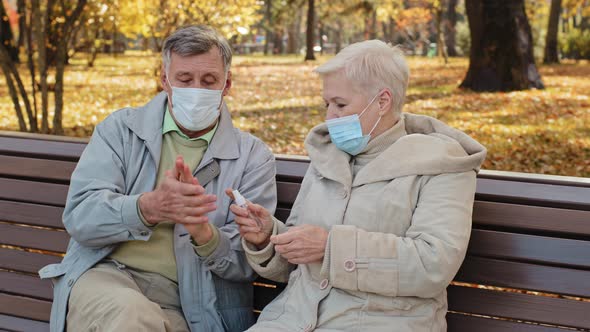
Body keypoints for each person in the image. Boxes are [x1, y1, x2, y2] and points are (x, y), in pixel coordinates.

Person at [230, 40, 487, 331]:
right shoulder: (328, 157)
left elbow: (432, 265)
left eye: (340, 104)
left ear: (382, 101)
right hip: (293, 320)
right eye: (327, 104)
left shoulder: (442, 164)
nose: (329, 117)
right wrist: (268, 238)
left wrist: (330, 247)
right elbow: (298, 265)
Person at [38, 25, 277, 332]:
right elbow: (81, 217)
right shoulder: (120, 131)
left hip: (188, 304)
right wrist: (147, 208)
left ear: (226, 83)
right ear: (165, 80)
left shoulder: (252, 158)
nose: (197, 90)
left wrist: (204, 234)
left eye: (209, 81)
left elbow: (248, 263)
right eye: (185, 79)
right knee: (130, 316)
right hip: (107, 278)